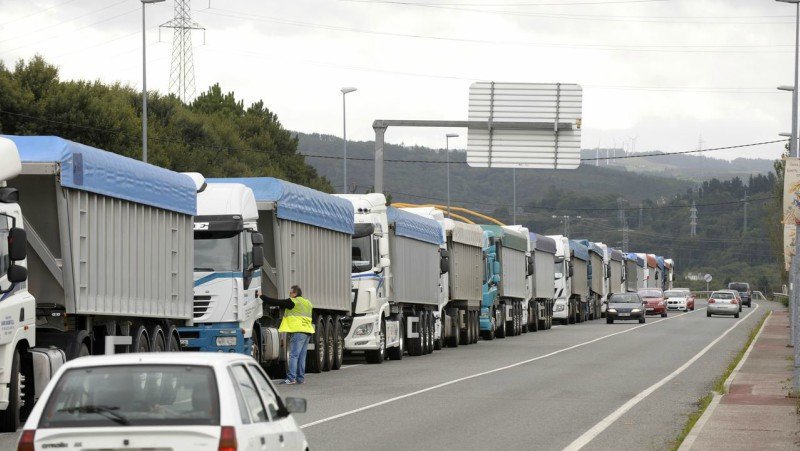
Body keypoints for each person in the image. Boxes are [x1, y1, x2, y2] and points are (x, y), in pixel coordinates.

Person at [260, 285, 314, 385]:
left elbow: (276, 302)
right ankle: (300, 379)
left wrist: (261, 296)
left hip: (298, 331)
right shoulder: (308, 303)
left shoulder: (292, 302)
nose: (289, 294)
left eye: (290, 293)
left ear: (295, 293)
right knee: (302, 357)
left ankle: (291, 378)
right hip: (308, 332)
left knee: (293, 355)